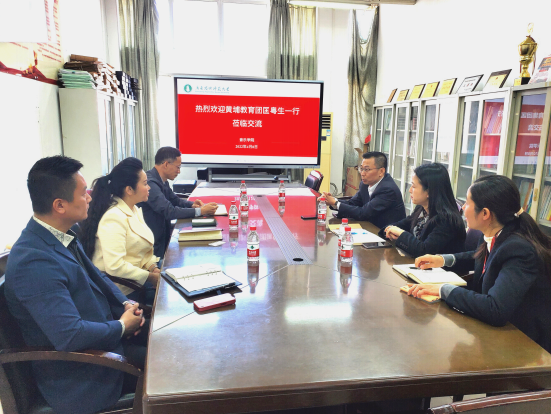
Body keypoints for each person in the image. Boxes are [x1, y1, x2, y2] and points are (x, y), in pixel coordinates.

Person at [4, 156, 147, 414]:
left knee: (167, 346)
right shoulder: (33, 261)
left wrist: (126, 304)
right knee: (171, 369)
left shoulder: (61, 235)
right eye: (83, 193)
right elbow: (70, 335)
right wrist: (121, 326)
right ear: (59, 205)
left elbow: (99, 278)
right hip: (84, 376)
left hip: (104, 348)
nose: (90, 197)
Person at [408, 175, 551, 353]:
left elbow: (495, 309)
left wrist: (443, 289)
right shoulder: (497, 233)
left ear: (485, 214)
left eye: (467, 203)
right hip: (501, 331)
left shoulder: (519, 249)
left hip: (527, 344)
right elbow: (481, 257)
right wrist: (442, 259)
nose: (462, 208)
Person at [80, 157, 160, 305]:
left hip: (140, 277)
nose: (148, 187)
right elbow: (115, 266)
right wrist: (150, 277)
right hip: (125, 290)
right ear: (129, 190)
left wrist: (153, 267)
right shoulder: (113, 217)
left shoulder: (133, 208)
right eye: (145, 183)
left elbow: (141, 250)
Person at [139, 147, 218, 258]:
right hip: (153, 246)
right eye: (178, 167)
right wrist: (200, 211)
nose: (179, 171)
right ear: (166, 164)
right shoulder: (151, 183)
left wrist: (192, 204)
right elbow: (169, 211)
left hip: (162, 237)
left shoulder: (161, 180)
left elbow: (174, 200)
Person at [379, 163, 465, 257]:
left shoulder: (447, 220)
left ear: (429, 191)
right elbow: (403, 225)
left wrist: (401, 234)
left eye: (413, 186)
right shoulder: (421, 209)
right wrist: (389, 230)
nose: (410, 190)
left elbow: (424, 251)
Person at [320, 152, 405, 229]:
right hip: (369, 228)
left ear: (381, 171)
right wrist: (332, 201)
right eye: (361, 168)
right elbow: (352, 203)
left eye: (367, 169)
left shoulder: (388, 190)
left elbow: (363, 213)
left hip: (387, 236)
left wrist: (336, 203)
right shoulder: (365, 184)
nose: (362, 173)